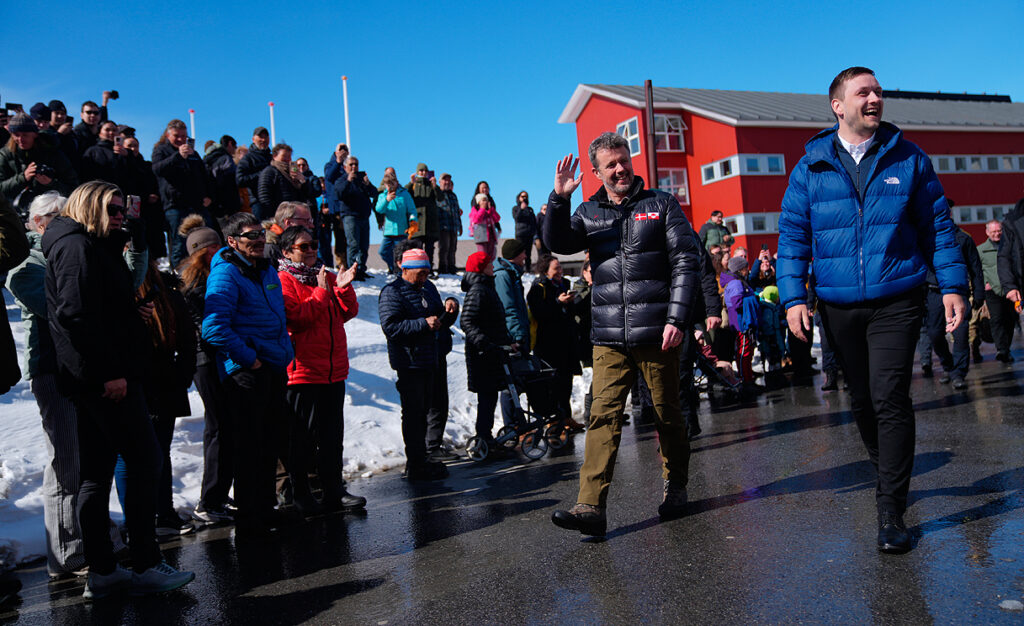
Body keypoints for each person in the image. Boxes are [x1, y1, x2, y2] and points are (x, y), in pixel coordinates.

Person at [778, 66, 968, 554]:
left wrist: (952, 286)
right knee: (862, 401)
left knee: (889, 398)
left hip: (897, 298)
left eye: (878, 91)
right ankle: (887, 475)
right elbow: (793, 238)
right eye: (863, 92)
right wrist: (794, 298)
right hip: (838, 304)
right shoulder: (811, 167)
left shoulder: (909, 158)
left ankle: (891, 508)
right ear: (837, 105)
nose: (875, 98)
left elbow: (937, 227)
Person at [544, 132, 701, 536]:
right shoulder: (588, 212)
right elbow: (557, 242)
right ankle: (590, 507)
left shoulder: (661, 204)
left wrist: (677, 318)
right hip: (609, 335)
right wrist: (559, 199)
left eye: (623, 161)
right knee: (603, 417)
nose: (620, 169)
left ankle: (676, 485)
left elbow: (686, 261)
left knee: (667, 413)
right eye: (610, 164)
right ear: (596, 172)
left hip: (657, 331)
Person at [42, 181, 194, 597]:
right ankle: (144, 563)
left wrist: (130, 311)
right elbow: (75, 316)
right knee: (144, 460)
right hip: (105, 379)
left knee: (98, 472)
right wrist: (108, 373)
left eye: (121, 209)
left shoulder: (93, 244)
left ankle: (105, 571)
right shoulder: (76, 246)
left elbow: (98, 307)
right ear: (87, 207)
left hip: (100, 375)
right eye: (110, 209)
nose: (118, 216)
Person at [9, 192, 89, 577]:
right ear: (39, 222)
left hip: (78, 367)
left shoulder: (69, 252)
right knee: (66, 462)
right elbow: (60, 310)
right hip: (51, 369)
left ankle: (93, 540)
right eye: (59, 216)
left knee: (86, 459)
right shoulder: (24, 263)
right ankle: (67, 554)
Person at [202, 212, 294, 536]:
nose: (258, 240)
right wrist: (250, 359)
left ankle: (266, 509)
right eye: (250, 236)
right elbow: (213, 329)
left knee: (269, 442)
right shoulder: (226, 273)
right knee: (249, 447)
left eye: (260, 234)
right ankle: (250, 517)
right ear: (232, 241)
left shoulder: (266, 269)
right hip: (247, 373)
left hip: (272, 367)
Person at [276, 226, 367, 514]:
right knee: (301, 439)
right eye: (303, 246)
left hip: (333, 369)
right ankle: (301, 494)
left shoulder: (324, 275)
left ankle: (334, 490)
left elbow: (347, 312)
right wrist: (321, 292)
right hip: (302, 372)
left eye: (313, 244)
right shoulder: (283, 279)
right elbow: (296, 318)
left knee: (331, 437)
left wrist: (343, 287)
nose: (312, 250)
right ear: (287, 251)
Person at [378, 245, 459, 480]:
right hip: (409, 362)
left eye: (426, 272)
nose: (424, 277)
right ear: (405, 269)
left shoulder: (427, 288)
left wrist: (451, 306)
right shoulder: (392, 292)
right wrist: (423, 324)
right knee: (414, 415)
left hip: (430, 358)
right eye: (420, 273)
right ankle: (415, 462)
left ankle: (424, 457)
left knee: (427, 410)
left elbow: (440, 320)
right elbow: (391, 327)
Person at [175, 216, 236, 524]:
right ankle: (209, 500)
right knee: (219, 427)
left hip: (219, 357)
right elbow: (203, 326)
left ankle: (219, 494)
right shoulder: (192, 284)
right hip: (205, 359)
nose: (221, 253)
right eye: (214, 249)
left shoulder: (217, 275)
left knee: (224, 427)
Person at [135, 262, 198, 537]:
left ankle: (162, 513)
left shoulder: (167, 294)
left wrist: (182, 376)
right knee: (143, 454)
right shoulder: (119, 290)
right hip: (138, 382)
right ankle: (147, 518)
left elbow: (187, 339)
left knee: (159, 451)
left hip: (163, 380)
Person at [461, 250, 516, 452]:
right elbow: (467, 321)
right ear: (481, 268)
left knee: (490, 397)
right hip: (482, 355)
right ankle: (483, 438)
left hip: (492, 352)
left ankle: (486, 437)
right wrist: (484, 344)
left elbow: (495, 323)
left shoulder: (486, 287)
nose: (493, 267)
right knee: (486, 397)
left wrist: (508, 342)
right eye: (489, 264)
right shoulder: (478, 290)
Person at [921, 226, 984, 389]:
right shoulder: (925, 237)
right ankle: (948, 366)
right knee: (934, 334)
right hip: (934, 293)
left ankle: (959, 373)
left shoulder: (963, 238)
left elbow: (975, 268)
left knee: (961, 334)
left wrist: (979, 293)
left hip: (958, 292)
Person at [528, 255, 583, 428]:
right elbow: (539, 312)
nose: (560, 271)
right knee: (552, 384)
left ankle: (566, 417)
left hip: (566, 341)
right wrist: (557, 302)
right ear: (546, 270)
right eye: (556, 268)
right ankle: (554, 422)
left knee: (566, 381)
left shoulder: (564, 284)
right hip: (548, 344)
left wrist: (570, 302)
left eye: (560, 267)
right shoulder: (539, 287)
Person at [151, 119, 213, 267]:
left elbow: (204, 175)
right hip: (175, 205)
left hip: (197, 204)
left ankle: (203, 271)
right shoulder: (161, 150)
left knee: (205, 239)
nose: (180, 139)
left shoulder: (193, 153)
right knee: (179, 243)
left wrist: (208, 195)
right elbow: (157, 169)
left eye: (183, 136)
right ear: (168, 135)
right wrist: (178, 156)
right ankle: (178, 275)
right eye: (176, 136)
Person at [0, 113, 78, 212]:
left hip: (48, 209)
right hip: (14, 210)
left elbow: (73, 188)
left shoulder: (52, 153)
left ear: (35, 134)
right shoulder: (5, 154)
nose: (20, 139)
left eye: (25, 135)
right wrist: (23, 178)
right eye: (16, 135)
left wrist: (50, 183)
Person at [493, 239, 531, 427]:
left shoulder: (512, 273)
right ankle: (512, 425)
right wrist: (517, 336)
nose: (525, 256)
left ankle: (518, 423)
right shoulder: (503, 276)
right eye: (523, 252)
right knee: (511, 385)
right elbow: (508, 309)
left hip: (518, 334)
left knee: (518, 381)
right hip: (512, 338)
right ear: (515, 255)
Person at [978, 219, 1016, 363]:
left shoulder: (1010, 247)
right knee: (997, 319)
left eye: (999, 231)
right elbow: (976, 270)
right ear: (987, 232)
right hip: (992, 291)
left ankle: (1007, 348)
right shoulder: (981, 250)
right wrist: (984, 283)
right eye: (993, 231)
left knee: (1010, 320)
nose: (997, 234)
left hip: (1010, 289)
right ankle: (1002, 349)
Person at [335, 155, 378, 280]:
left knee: (364, 245)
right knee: (353, 244)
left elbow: (374, 193)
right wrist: (348, 181)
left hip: (364, 216)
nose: (354, 167)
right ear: (345, 167)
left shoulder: (361, 180)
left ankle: (361, 269)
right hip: (350, 216)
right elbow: (339, 194)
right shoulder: (341, 180)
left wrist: (368, 184)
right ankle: (352, 271)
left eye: (356, 164)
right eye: (351, 164)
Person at [374, 173, 418, 275]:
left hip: (401, 231)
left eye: (392, 183)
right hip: (389, 232)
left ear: (397, 182)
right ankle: (394, 268)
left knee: (400, 255)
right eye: (388, 184)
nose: (390, 186)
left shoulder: (404, 194)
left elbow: (412, 210)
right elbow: (379, 209)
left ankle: (400, 273)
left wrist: (413, 221)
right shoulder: (383, 196)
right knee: (383, 252)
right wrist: (386, 200)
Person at [405, 164, 442, 268]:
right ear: (417, 172)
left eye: (425, 171)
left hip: (430, 223)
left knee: (430, 249)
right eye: (421, 171)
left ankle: (429, 269)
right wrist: (411, 183)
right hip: (418, 222)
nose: (423, 173)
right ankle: (418, 267)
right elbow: (405, 195)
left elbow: (440, 198)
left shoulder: (431, 185)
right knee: (417, 248)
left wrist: (435, 186)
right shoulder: (413, 185)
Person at [258, 144, 312, 215]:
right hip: (279, 213)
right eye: (284, 156)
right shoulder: (270, 171)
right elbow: (264, 195)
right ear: (274, 156)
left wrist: (302, 181)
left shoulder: (293, 173)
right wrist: (271, 215)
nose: (287, 159)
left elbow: (307, 195)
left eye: (289, 156)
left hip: (295, 213)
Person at [320, 143, 350, 265]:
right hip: (337, 209)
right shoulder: (330, 165)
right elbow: (329, 176)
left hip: (349, 207)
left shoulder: (348, 166)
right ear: (335, 152)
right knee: (340, 237)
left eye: (345, 149)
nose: (343, 151)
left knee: (350, 237)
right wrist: (337, 161)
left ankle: (351, 262)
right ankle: (341, 263)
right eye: (340, 149)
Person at [265, 201, 316, 269]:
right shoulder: (271, 249)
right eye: (306, 221)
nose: (312, 226)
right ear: (288, 222)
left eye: (311, 221)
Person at [235, 127, 272, 220]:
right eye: (260, 137)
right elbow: (240, 180)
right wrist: (263, 174)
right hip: (258, 204)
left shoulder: (272, 158)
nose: (263, 139)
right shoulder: (248, 159)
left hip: (276, 203)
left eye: (266, 136)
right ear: (253, 139)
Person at [203, 135, 242, 223]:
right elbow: (230, 181)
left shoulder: (208, 159)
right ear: (230, 144)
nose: (235, 150)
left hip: (214, 204)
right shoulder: (226, 158)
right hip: (228, 203)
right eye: (235, 147)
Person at [80, 121, 130, 188]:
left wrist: (128, 157)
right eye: (107, 130)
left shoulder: (126, 152)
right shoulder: (92, 151)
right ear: (100, 133)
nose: (111, 133)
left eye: (114, 130)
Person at [436, 173, 462, 274]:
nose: (447, 182)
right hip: (443, 225)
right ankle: (443, 268)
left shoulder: (453, 195)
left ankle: (452, 268)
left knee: (453, 248)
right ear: (440, 182)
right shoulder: (437, 194)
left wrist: (460, 225)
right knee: (444, 248)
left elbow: (457, 211)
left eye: (448, 180)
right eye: (444, 180)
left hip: (453, 226)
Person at [469, 192, 500, 259]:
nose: (485, 202)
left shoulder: (489, 211)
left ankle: (491, 264)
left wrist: (491, 210)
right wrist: (482, 209)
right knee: (482, 255)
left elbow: (497, 219)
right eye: (483, 200)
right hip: (481, 237)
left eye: (486, 200)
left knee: (492, 255)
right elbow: (476, 220)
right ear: (478, 202)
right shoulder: (474, 210)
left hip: (491, 237)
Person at [512, 191, 538, 268]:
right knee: (519, 253)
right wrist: (521, 209)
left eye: (526, 196)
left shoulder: (530, 209)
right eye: (522, 196)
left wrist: (535, 235)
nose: (524, 198)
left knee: (528, 254)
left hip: (529, 234)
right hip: (520, 234)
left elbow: (534, 222)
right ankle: (519, 269)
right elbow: (516, 218)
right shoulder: (515, 208)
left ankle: (528, 270)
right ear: (518, 198)